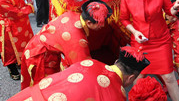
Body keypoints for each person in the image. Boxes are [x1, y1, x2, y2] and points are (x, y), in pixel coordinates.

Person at [120, 0, 179, 101]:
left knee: (168, 76)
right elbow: (124, 19)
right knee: (139, 76)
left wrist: (176, 8)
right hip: (140, 43)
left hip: (161, 40)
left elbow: (169, 12)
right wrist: (135, 32)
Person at [21, 0, 112, 89]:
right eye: (100, 23)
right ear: (88, 22)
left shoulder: (74, 14)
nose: (103, 26)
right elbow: (84, 66)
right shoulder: (76, 39)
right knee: (47, 89)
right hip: (40, 57)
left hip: (42, 49)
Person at [9, 46, 150, 101]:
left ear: (116, 61)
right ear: (131, 77)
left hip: (27, 96)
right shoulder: (118, 94)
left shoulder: (91, 62)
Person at [0, 0, 41, 80]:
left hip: (24, 24)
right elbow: (15, 13)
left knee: (26, 43)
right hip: (8, 26)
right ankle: (12, 68)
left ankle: (23, 61)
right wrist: (30, 7)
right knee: (9, 50)